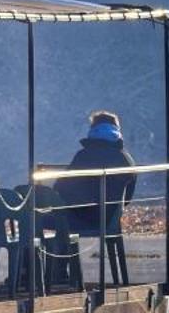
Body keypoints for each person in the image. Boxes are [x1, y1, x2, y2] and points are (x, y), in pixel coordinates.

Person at [52, 110, 136, 287]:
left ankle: (47, 272)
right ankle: (56, 271)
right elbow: (127, 198)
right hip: (109, 218)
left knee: (37, 220)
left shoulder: (84, 155)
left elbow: (60, 187)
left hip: (81, 216)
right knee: (62, 220)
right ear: (116, 130)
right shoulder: (125, 158)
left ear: (93, 129)